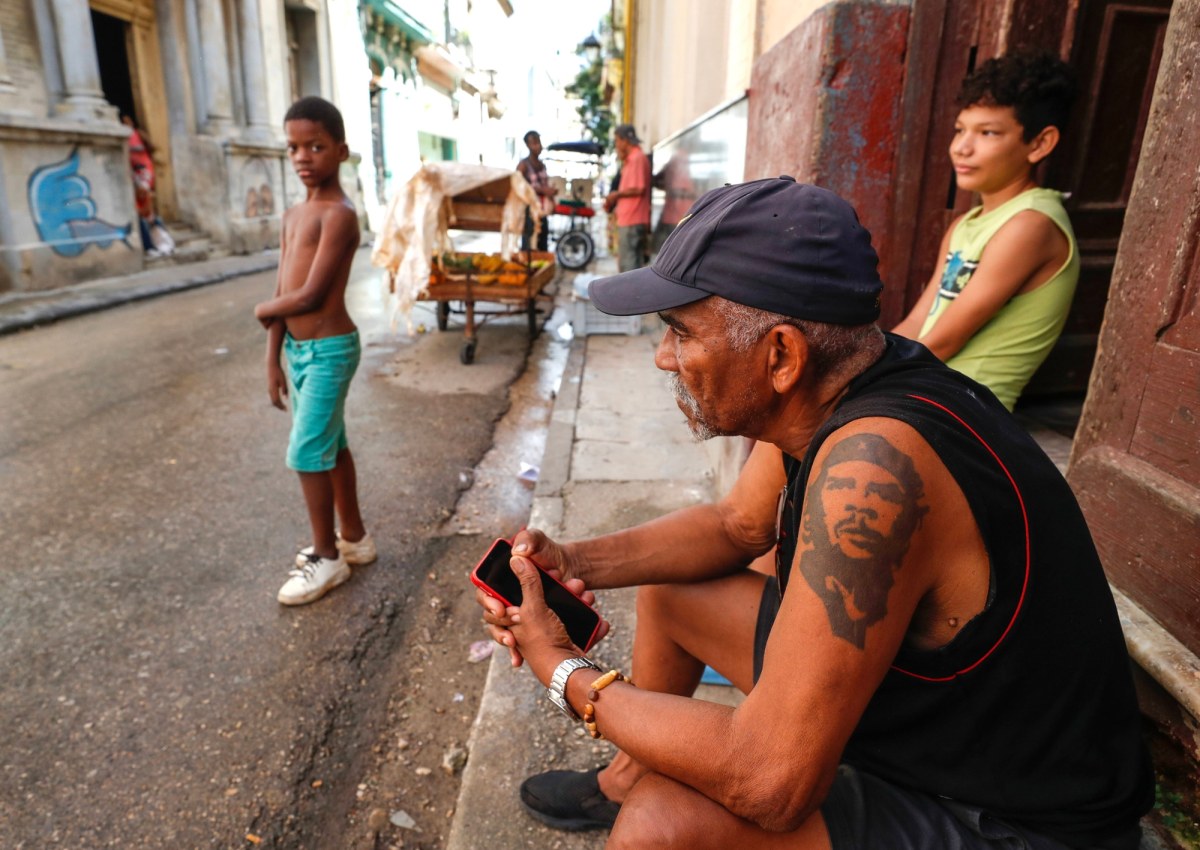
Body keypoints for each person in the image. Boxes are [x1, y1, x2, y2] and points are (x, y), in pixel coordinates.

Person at [477, 177, 1152, 850]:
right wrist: (571, 560)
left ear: (781, 357)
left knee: (661, 826)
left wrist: (563, 669)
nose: (664, 358)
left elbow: (769, 781)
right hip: (941, 728)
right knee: (676, 593)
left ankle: (641, 791)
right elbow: (733, 527)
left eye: (681, 333)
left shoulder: (877, 464)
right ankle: (626, 775)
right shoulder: (844, 385)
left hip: (1018, 822)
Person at [891, 52, 1079, 411]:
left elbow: (945, 340)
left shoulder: (1031, 224)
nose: (962, 147)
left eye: (988, 132)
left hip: (967, 409)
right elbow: (919, 320)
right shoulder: (966, 225)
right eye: (960, 129)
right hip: (926, 385)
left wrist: (856, 383)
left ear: (1040, 144)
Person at [254, 96, 376, 606]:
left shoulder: (340, 215)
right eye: (293, 147)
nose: (303, 156)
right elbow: (286, 285)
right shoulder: (292, 216)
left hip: (330, 350)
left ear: (341, 151)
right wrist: (272, 357)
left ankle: (326, 557)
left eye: (316, 146)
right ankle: (355, 538)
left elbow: (309, 295)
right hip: (299, 355)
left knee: (306, 451)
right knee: (331, 445)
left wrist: (264, 309)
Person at [121, 114, 173, 257]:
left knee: (145, 214)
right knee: (147, 214)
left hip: (142, 174)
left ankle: (154, 245)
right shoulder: (128, 138)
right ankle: (161, 242)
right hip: (138, 175)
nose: (125, 123)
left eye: (127, 120)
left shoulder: (135, 136)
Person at [605, 124, 651, 271]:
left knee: (629, 264)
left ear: (625, 140)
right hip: (629, 218)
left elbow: (639, 188)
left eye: (617, 140)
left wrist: (616, 194)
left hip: (633, 218)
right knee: (629, 262)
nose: (617, 145)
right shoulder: (631, 159)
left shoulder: (637, 158)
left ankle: (630, 294)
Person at [517, 130, 556, 253]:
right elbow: (518, 187)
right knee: (529, 247)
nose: (538, 146)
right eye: (534, 143)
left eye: (539, 142)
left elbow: (545, 185)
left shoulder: (542, 165)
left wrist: (550, 194)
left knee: (542, 245)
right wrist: (541, 190)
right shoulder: (523, 165)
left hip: (542, 212)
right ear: (528, 145)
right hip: (529, 212)